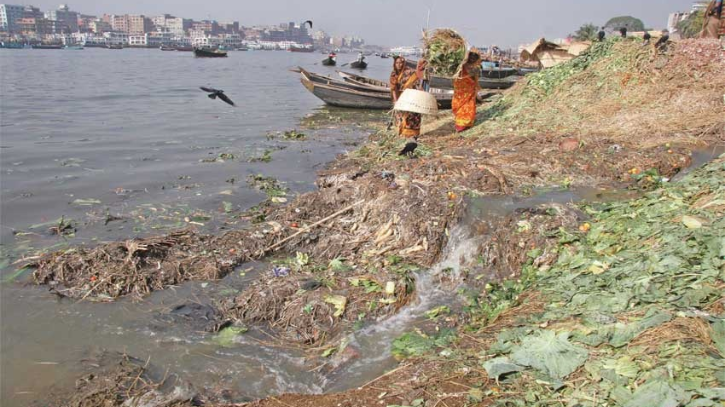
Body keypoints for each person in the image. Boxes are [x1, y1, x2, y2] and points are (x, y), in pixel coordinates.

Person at [390, 56, 427, 138]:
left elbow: (417, 79)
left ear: (403, 63)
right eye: (397, 63)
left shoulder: (409, 72)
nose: (399, 65)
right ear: (394, 64)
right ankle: (402, 134)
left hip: (411, 98)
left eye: (401, 63)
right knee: (401, 117)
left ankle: (412, 134)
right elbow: (393, 88)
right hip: (400, 98)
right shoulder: (394, 74)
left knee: (412, 116)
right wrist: (396, 101)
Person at [452, 48, 481, 133]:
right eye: (472, 56)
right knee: (463, 106)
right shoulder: (464, 67)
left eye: (474, 57)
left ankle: (462, 125)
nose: (472, 58)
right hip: (461, 91)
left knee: (465, 106)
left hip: (465, 91)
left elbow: (474, 79)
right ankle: (463, 124)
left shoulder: (463, 66)